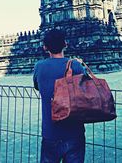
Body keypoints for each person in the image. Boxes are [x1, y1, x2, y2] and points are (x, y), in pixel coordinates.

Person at [33, 29, 86, 163]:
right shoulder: (75, 65)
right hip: (74, 131)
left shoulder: (39, 67)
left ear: (45, 47)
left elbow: (37, 86)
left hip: (50, 132)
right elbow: (87, 88)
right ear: (65, 44)